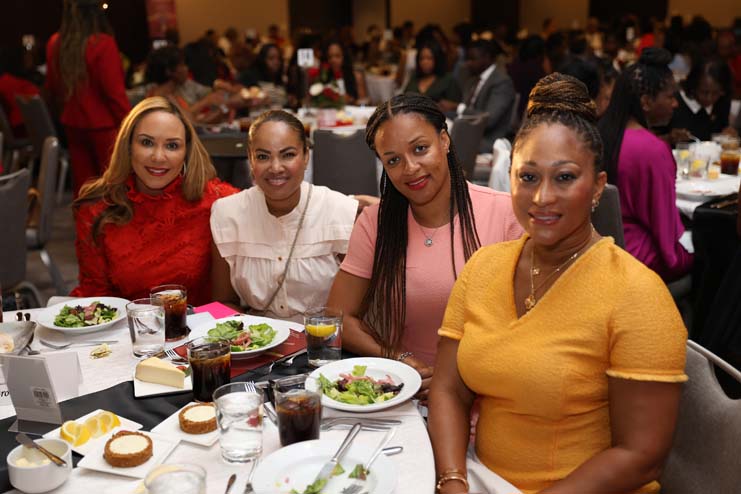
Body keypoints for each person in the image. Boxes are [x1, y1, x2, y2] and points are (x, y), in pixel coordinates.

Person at [429, 73, 687, 494]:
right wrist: (453, 481)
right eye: (528, 177)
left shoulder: (636, 294)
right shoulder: (484, 266)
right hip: (480, 478)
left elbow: (641, 455)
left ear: (598, 186)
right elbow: (448, 390)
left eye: (564, 177)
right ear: (509, 177)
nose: (542, 197)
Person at [327, 94, 522, 397]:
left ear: (444, 140)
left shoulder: (506, 214)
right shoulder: (377, 223)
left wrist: (461, 380)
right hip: (409, 394)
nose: (410, 168)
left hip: (494, 393)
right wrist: (398, 359)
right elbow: (338, 317)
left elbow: (532, 326)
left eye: (420, 149)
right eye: (393, 160)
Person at [70, 97, 238, 305]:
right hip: (124, 323)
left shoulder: (219, 202)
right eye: (147, 143)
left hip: (202, 323)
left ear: (186, 152)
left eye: (172, 145)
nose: (158, 157)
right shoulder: (96, 208)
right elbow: (96, 296)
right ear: (128, 146)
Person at [210, 110, 358, 322]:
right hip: (256, 338)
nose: (276, 167)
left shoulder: (339, 212)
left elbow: (357, 308)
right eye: (263, 156)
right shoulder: (226, 214)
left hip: (326, 337)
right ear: (250, 159)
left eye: (288, 155)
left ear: (306, 156)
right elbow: (223, 303)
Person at [599, 48, 693, 282]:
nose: (675, 104)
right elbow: (664, 228)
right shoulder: (652, 150)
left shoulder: (599, 134)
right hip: (638, 259)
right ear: (646, 102)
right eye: (670, 97)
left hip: (598, 251)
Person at [45, 0, 131, 197]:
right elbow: (114, 94)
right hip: (105, 125)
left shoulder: (55, 43)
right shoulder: (103, 43)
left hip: (72, 123)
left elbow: (52, 87)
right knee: (114, 186)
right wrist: (132, 124)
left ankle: (86, 218)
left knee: (84, 187)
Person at [460, 39, 517, 152]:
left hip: (490, 141)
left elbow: (489, 119)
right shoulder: (472, 80)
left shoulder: (501, 81)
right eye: (467, 59)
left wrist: (459, 109)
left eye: (473, 59)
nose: (468, 63)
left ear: (487, 58)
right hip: (469, 134)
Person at [668, 58, 737, 141]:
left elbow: (722, 129)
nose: (709, 98)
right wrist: (669, 137)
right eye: (704, 92)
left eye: (716, 93)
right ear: (693, 86)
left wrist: (728, 134)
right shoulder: (673, 102)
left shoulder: (722, 101)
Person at [403, 41, 462, 113]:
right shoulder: (415, 77)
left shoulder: (448, 79)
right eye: (421, 58)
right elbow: (404, 98)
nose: (425, 62)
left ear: (437, 59)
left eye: (429, 58)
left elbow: (456, 107)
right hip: (411, 116)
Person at [238, 43, 288, 108]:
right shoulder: (250, 77)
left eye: (279, 58)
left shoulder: (281, 79)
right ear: (262, 59)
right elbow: (239, 99)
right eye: (271, 58)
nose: (276, 62)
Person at [321, 40, 367, 104]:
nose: (333, 60)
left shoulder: (356, 76)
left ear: (344, 57)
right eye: (330, 57)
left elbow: (363, 102)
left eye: (337, 56)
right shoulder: (324, 76)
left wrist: (351, 100)